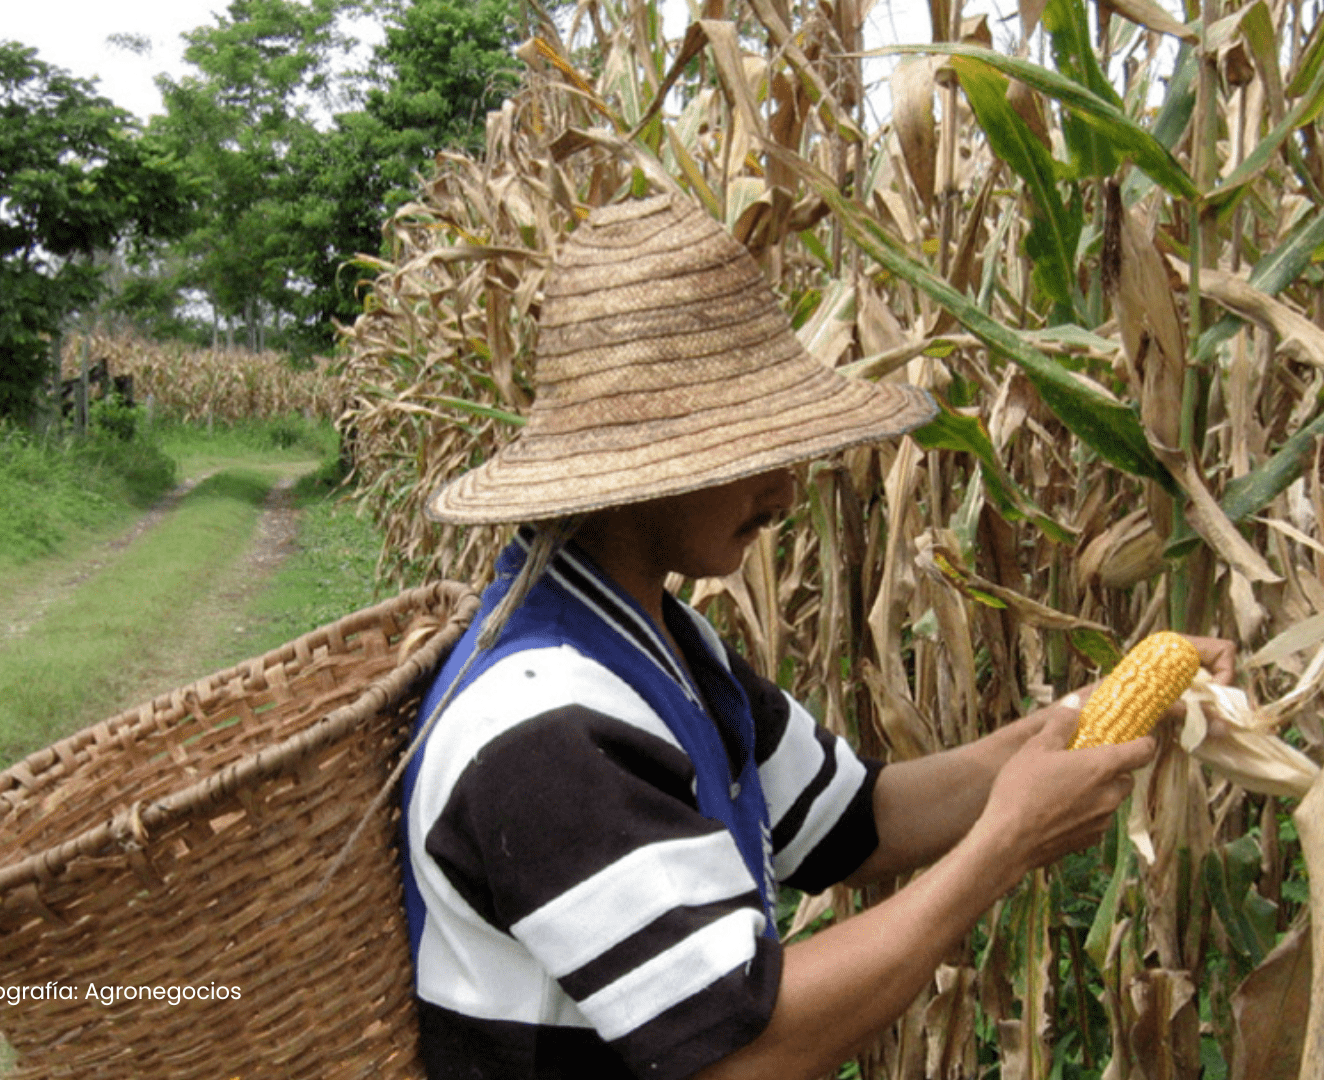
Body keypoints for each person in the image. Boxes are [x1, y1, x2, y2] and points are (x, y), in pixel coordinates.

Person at [400, 193, 1230, 1080]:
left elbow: (859, 822)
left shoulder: (664, 644)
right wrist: (1006, 844)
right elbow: (743, 1052)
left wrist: (1089, 717)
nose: (787, 493)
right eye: (755, 455)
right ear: (642, 467)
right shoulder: (546, 725)